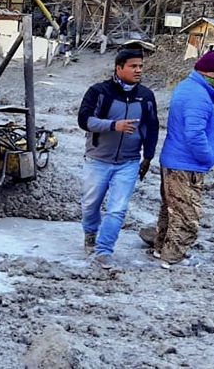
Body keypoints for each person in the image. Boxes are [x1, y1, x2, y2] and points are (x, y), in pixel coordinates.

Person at [77, 49, 159, 269]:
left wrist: (148, 156)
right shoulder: (99, 92)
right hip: (98, 159)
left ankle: (104, 251)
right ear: (119, 67)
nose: (138, 70)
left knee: (117, 209)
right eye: (133, 66)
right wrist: (114, 126)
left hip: (128, 162)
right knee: (90, 204)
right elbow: (84, 121)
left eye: (141, 66)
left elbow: (152, 127)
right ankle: (90, 233)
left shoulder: (146, 96)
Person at [150, 50, 214, 268]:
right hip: (187, 165)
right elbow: (194, 134)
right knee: (187, 215)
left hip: (173, 160)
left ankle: (160, 248)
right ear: (207, 72)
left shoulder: (186, 87)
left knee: (170, 209)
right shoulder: (198, 97)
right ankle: (172, 258)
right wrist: (207, 158)